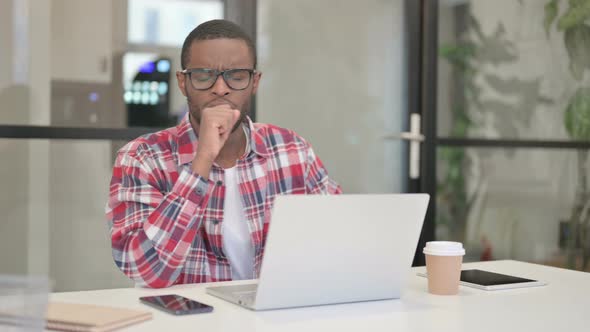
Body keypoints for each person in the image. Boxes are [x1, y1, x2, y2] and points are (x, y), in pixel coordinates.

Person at [106, 19, 341, 288]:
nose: (220, 89)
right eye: (204, 76)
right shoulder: (142, 157)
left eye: (237, 76)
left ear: (255, 82)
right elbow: (145, 270)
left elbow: (337, 239)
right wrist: (202, 161)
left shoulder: (292, 150)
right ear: (183, 83)